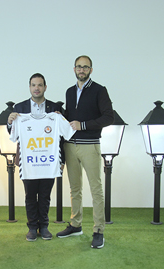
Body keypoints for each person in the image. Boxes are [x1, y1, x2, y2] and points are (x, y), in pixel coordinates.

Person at [56, 55, 114, 249]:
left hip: (90, 145)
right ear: (74, 69)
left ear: (91, 70)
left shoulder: (99, 90)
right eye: (79, 67)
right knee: (74, 188)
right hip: (70, 146)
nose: (82, 70)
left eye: (85, 67)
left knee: (96, 189)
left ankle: (98, 231)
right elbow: (72, 117)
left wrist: (83, 125)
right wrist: (61, 116)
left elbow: (108, 117)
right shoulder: (70, 92)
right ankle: (75, 224)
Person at [7, 73, 64, 242]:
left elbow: (61, 137)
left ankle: (44, 226)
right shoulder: (20, 107)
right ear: (30, 87)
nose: (36, 88)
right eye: (33, 85)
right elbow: (13, 134)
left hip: (49, 161)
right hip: (29, 161)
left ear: (45, 87)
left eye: (40, 85)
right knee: (30, 195)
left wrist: (62, 161)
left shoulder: (55, 108)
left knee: (45, 195)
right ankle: (32, 227)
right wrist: (10, 122)